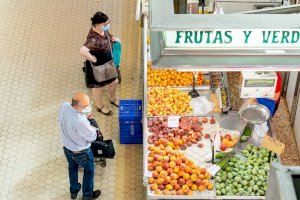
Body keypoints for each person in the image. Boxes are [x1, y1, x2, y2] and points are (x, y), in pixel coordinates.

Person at [59, 92, 101, 200]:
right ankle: (87, 195)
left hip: (67, 148)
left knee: (72, 168)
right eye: (86, 106)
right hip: (81, 152)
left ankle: (74, 191)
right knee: (89, 171)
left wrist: (83, 114)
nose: (89, 107)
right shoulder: (80, 121)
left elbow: (68, 120)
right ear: (77, 106)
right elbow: (92, 137)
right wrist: (91, 120)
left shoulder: (64, 106)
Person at [80, 12, 120, 116]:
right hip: (97, 66)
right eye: (105, 23)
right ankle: (100, 106)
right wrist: (92, 59)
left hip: (107, 61)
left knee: (114, 81)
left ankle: (112, 98)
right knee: (98, 87)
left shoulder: (102, 30)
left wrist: (112, 39)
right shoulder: (93, 39)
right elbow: (82, 51)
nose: (107, 25)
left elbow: (106, 36)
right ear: (98, 24)